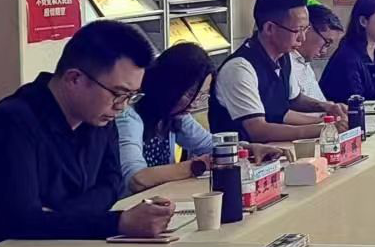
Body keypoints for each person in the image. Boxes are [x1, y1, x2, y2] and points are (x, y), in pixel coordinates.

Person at [0, 20, 175, 240]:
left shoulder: (98, 118)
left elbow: (112, 183)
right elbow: (21, 222)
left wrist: (58, 216)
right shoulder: (13, 122)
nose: (122, 106)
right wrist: (117, 223)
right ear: (74, 79)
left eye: (131, 96)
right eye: (118, 93)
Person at [117, 42, 285, 194]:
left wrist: (249, 149)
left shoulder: (175, 117)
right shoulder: (130, 117)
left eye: (202, 95)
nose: (195, 103)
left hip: (157, 199)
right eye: (190, 94)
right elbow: (137, 179)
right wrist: (197, 165)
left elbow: (209, 145)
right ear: (168, 86)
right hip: (128, 207)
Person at [208, 0, 341, 142]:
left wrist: (327, 107)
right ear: (270, 28)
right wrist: (323, 129)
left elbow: (294, 99)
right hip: (246, 154)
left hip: (276, 149)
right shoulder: (239, 68)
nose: (302, 38)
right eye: (297, 30)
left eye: (305, 29)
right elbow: (258, 131)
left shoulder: (283, 57)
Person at [294, 3, 349, 116]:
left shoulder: (304, 62)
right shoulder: (285, 62)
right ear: (308, 29)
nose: (324, 51)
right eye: (326, 42)